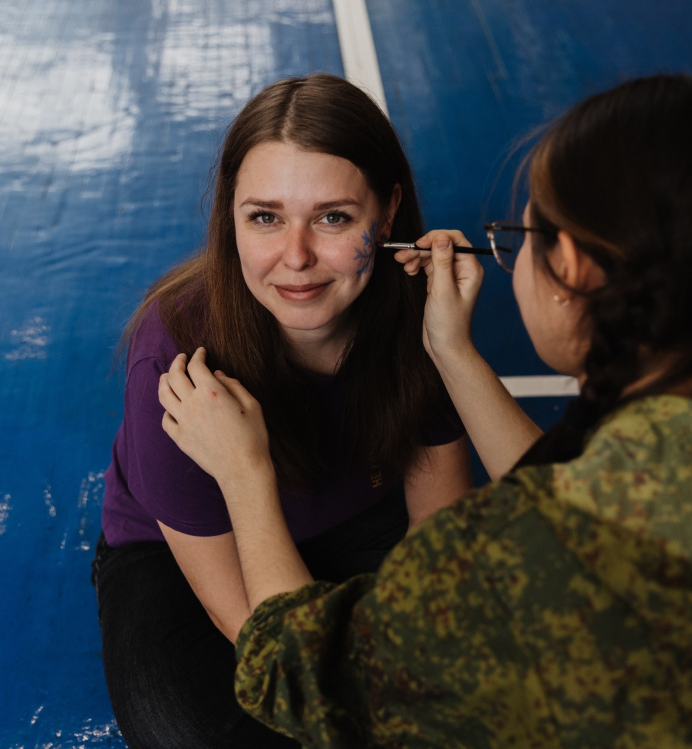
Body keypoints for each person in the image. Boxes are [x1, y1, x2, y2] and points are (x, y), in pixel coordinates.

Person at [158, 73, 692, 747]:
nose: (297, 254)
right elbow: (582, 487)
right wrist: (452, 353)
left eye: (522, 236)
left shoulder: (515, 565)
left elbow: (297, 674)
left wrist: (245, 472)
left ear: (570, 267)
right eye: (265, 216)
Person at [92, 73, 535, 748]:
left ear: (386, 215)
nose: (295, 258)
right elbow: (261, 634)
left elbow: (437, 548)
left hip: (359, 521)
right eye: (264, 217)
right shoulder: (174, 355)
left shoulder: (420, 312)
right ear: (230, 218)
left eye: (333, 217)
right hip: (194, 555)